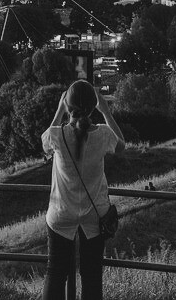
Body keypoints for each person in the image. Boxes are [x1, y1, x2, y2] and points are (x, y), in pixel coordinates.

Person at [42, 79, 126, 300]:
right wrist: (106, 111)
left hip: (61, 213)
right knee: (91, 276)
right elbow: (121, 145)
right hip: (94, 216)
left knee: (56, 272)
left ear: (68, 106)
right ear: (92, 107)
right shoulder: (103, 134)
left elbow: (45, 145)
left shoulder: (56, 135)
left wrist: (60, 110)